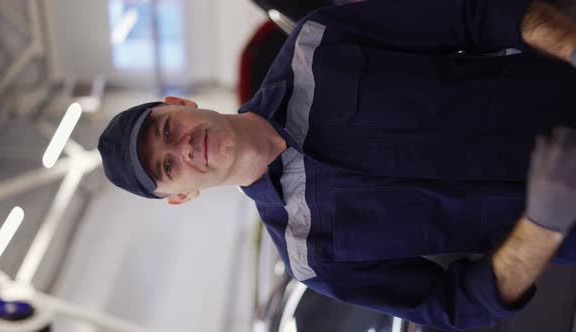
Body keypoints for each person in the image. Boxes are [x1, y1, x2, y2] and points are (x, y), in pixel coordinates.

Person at [98, 0, 576, 330]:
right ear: (181, 195)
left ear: (181, 102)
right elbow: (450, 303)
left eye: (166, 129)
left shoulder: (320, 42)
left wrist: (573, 46)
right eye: (167, 168)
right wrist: (542, 225)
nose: (183, 148)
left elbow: (474, 15)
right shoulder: (310, 255)